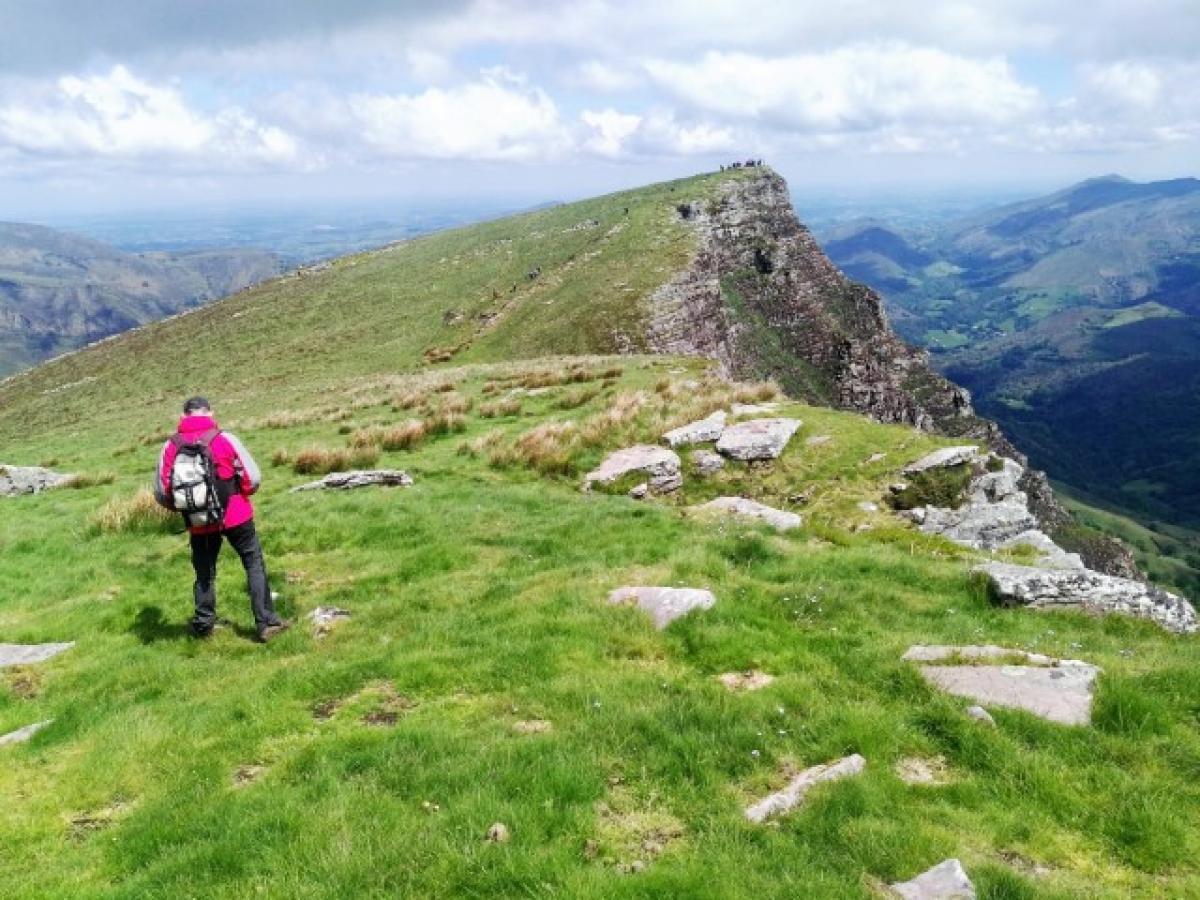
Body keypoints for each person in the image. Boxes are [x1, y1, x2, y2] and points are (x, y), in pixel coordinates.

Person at [154, 396, 290, 642]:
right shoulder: (225, 438)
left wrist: (187, 508)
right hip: (236, 515)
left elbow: (162, 493)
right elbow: (254, 478)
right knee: (253, 563)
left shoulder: (170, 446)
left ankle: (204, 625)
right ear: (210, 412)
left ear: (184, 416)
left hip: (198, 522)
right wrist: (242, 494)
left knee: (205, 573)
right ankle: (266, 622)